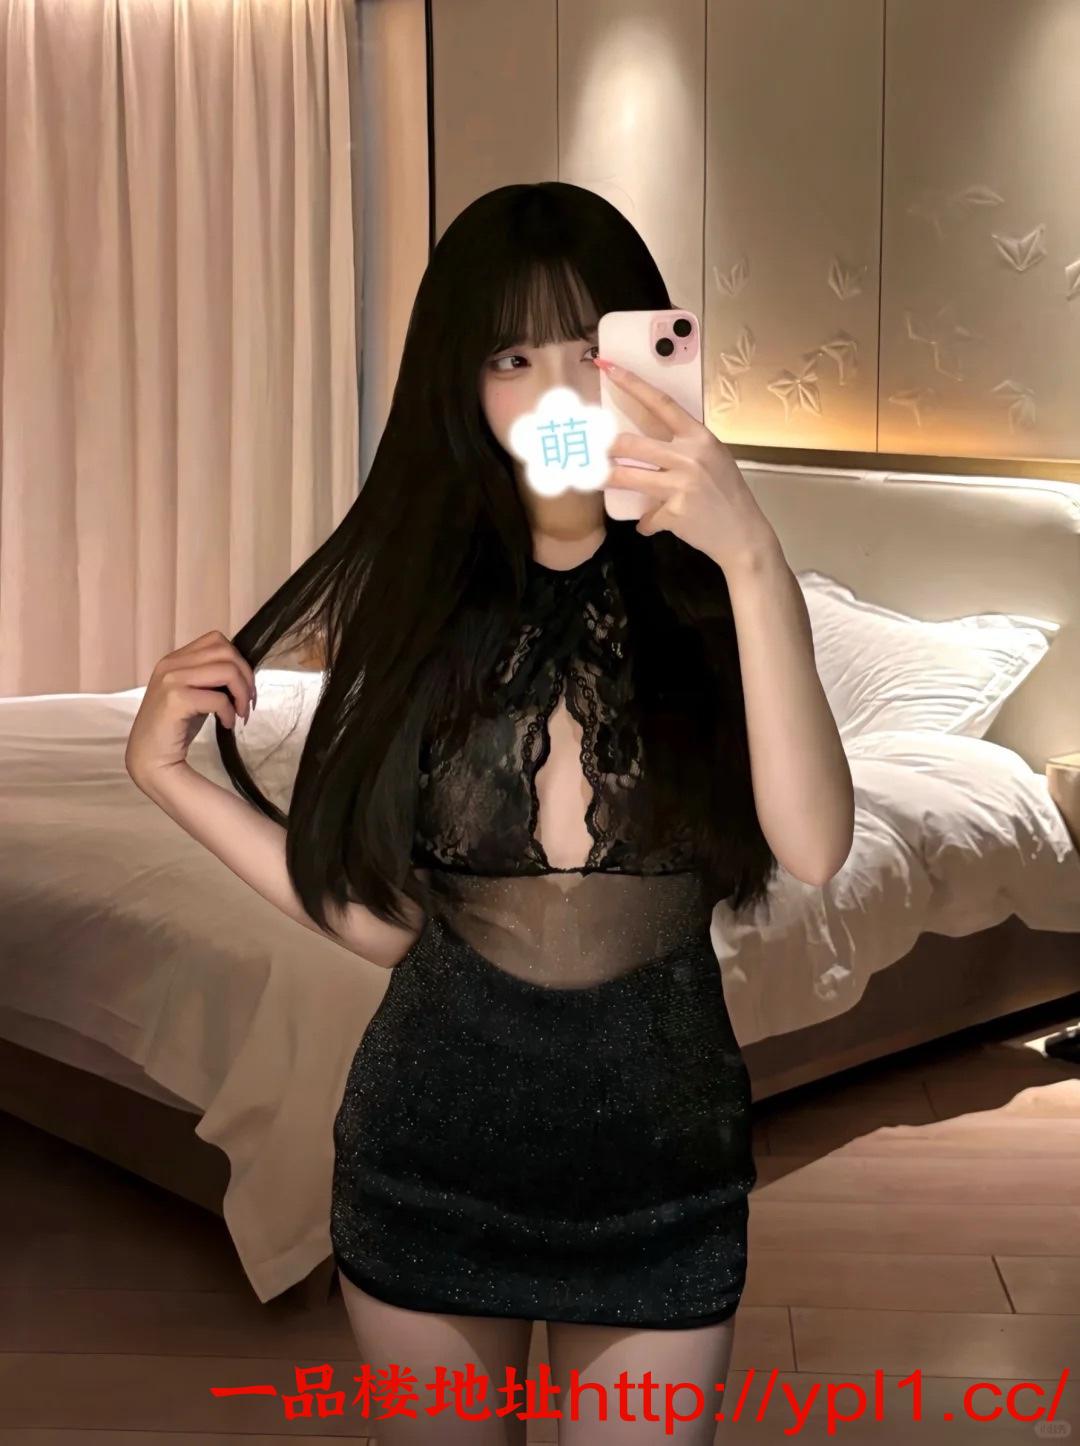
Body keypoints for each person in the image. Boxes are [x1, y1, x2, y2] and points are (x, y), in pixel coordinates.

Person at [125, 182, 854, 1444]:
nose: (558, 392)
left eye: (588, 349)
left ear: (648, 355)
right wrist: (167, 779)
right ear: (459, 386)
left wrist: (750, 554)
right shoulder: (416, 607)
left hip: (665, 1179)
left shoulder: (718, 598)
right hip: (428, 1158)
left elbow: (817, 844)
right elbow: (387, 926)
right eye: (512, 358)